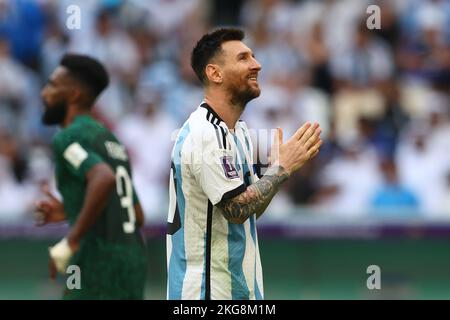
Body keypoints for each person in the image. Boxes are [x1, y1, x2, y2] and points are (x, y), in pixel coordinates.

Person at [167, 28, 322, 300]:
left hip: (238, 291)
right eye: (243, 58)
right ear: (215, 73)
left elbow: (248, 211)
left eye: (253, 56)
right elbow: (236, 210)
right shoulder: (205, 133)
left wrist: (280, 172)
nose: (257, 64)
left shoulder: (237, 132)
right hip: (207, 293)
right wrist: (281, 168)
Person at [35, 54, 147, 299]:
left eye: (52, 85)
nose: (44, 93)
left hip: (96, 262)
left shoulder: (67, 138)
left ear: (73, 95)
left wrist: (71, 240)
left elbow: (103, 178)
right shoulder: (111, 140)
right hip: (133, 262)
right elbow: (136, 215)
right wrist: (69, 211)